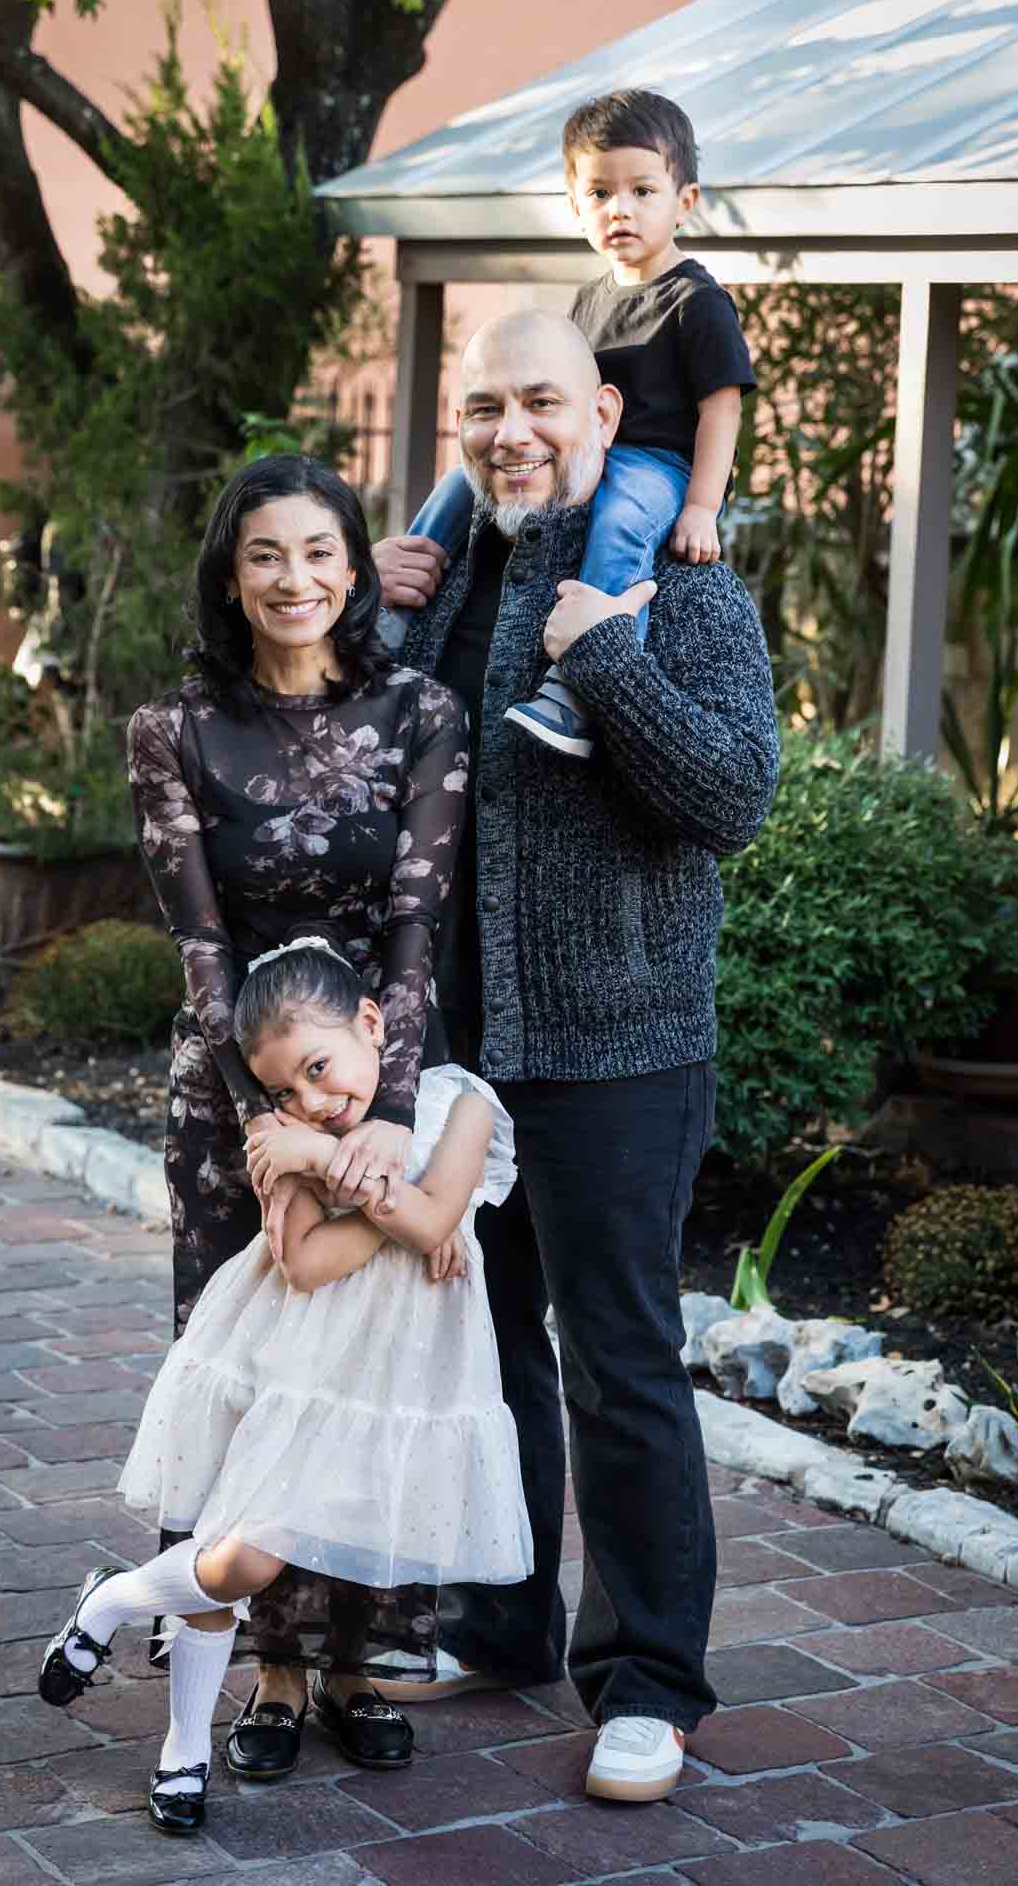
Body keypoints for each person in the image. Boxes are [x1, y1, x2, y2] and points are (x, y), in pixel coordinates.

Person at [371, 308, 780, 1804]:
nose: (509, 431)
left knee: (618, 1366)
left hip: (620, 1043)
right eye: (484, 405)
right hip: (459, 1050)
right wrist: (364, 614)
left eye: (540, 401)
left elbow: (733, 796)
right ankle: (501, 1622)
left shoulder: (678, 583)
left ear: (605, 415)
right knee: (476, 1351)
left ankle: (649, 1682)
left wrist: (606, 662)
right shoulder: (434, 582)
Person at [125, 456, 468, 1778]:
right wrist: (274, 1123)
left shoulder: (421, 711)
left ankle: (352, 1657)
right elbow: (200, 943)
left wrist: (374, 1123)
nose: (294, 579)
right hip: (234, 1109)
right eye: (264, 554)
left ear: (353, 561)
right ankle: (264, 1661)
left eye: (318, 551)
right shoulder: (175, 726)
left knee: (366, 1369)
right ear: (230, 572)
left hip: (379, 1099)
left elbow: (414, 931)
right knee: (252, 1376)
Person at [38, 937, 528, 1836]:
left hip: (393, 1384)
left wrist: (347, 1176)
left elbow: (435, 1213)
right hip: (293, 1361)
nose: (311, 1100)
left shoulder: (460, 1105)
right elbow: (306, 1261)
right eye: (284, 1091)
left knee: (328, 1553)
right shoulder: (283, 1143)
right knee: (242, 1559)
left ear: (370, 1024)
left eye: (319, 1066)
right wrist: (385, 1206)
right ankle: (173, 1728)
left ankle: (116, 1601)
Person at [396, 88, 755, 762]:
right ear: (574, 204)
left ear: (685, 200)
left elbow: (721, 406)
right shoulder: (590, 299)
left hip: (657, 465)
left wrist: (702, 508)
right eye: (598, 193)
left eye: (642, 190)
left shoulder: (695, 301)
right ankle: (388, 618)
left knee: (618, 520)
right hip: (599, 456)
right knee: (453, 488)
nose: (619, 208)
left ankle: (575, 685)